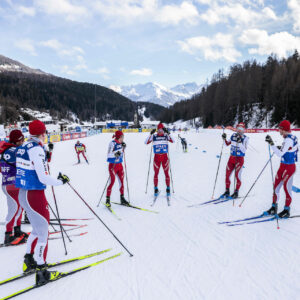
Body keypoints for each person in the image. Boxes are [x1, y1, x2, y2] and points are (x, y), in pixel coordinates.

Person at [16, 120, 70, 285]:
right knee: (43, 232)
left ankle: (29, 260)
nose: (46, 135)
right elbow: (43, 177)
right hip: (35, 195)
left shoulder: (25, 146)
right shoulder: (37, 149)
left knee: (37, 229)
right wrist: (61, 182)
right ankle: (42, 271)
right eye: (45, 133)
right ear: (41, 133)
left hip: (23, 193)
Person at [265, 120, 298, 218]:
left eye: (280, 128)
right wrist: (284, 148)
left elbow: (280, 154)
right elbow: (294, 148)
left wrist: (272, 144)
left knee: (286, 189)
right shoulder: (289, 138)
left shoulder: (288, 139)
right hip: (282, 166)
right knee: (276, 187)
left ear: (284, 129)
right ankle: (273, 207)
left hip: (289, 167)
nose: (279, 130)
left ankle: (286, 210)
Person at [0, 129, 27, 245]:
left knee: (19, 207)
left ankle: (17, 231)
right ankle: (8, 235)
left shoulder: (6, 149)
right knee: (15, 209)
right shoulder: (15, 151)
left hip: (10, 184)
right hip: (12, 185)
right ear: (17, 141)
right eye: (21, 139)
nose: (23, 141)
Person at [145, 123, 174, 197]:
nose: (160, 131)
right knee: (156, 173)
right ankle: (155, 189)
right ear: (157, 130)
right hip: (157, 158)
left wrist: (168, 132)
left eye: (162, 130)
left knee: (166, 173)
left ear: (163, 130)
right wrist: (150, 134)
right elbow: (146, 142)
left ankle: (168, 189)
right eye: (159, 130)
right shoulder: (154, 136)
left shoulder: (166, 135)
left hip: (165, 157)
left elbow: (173, 140)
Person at [221, 123, 249, 198]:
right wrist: (224, 139)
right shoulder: (233, 135)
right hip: (231, 158)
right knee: (227, 175)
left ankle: (236, 192)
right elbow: (226, 144)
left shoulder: (246, 138)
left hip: (239, 159)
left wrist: (239, 142)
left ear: (244, 130)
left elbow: (244, 150)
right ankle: (227, 191)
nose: (239, 130)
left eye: (241, 129)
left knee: (237, 176)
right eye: (238, 128)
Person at [105, 130, 129, 207]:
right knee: (112, 182)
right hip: (113, 166)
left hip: (120, 166)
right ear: (119, 137)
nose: (123, 138)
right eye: (122, 137)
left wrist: (124, 148)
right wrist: (118, 153)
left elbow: (121, 152)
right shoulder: (112, 143)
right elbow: (109, 155)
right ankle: (107, 200)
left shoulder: (121, 143)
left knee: (122, 182)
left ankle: (122, 199)